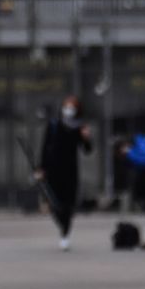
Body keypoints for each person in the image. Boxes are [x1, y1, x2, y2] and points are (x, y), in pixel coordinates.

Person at [36, 95, 93, 250]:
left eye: (72, 107)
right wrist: (41, 168)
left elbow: (87, 150)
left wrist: (86, 138)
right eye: (66, 106)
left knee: (68, 204)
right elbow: (45, 147)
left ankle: (65, 233)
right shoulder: (54, 125)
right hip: (53, 169)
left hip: (70, 171)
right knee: (54, 202)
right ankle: (62, 224)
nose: (68, 110)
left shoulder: (79, 127)